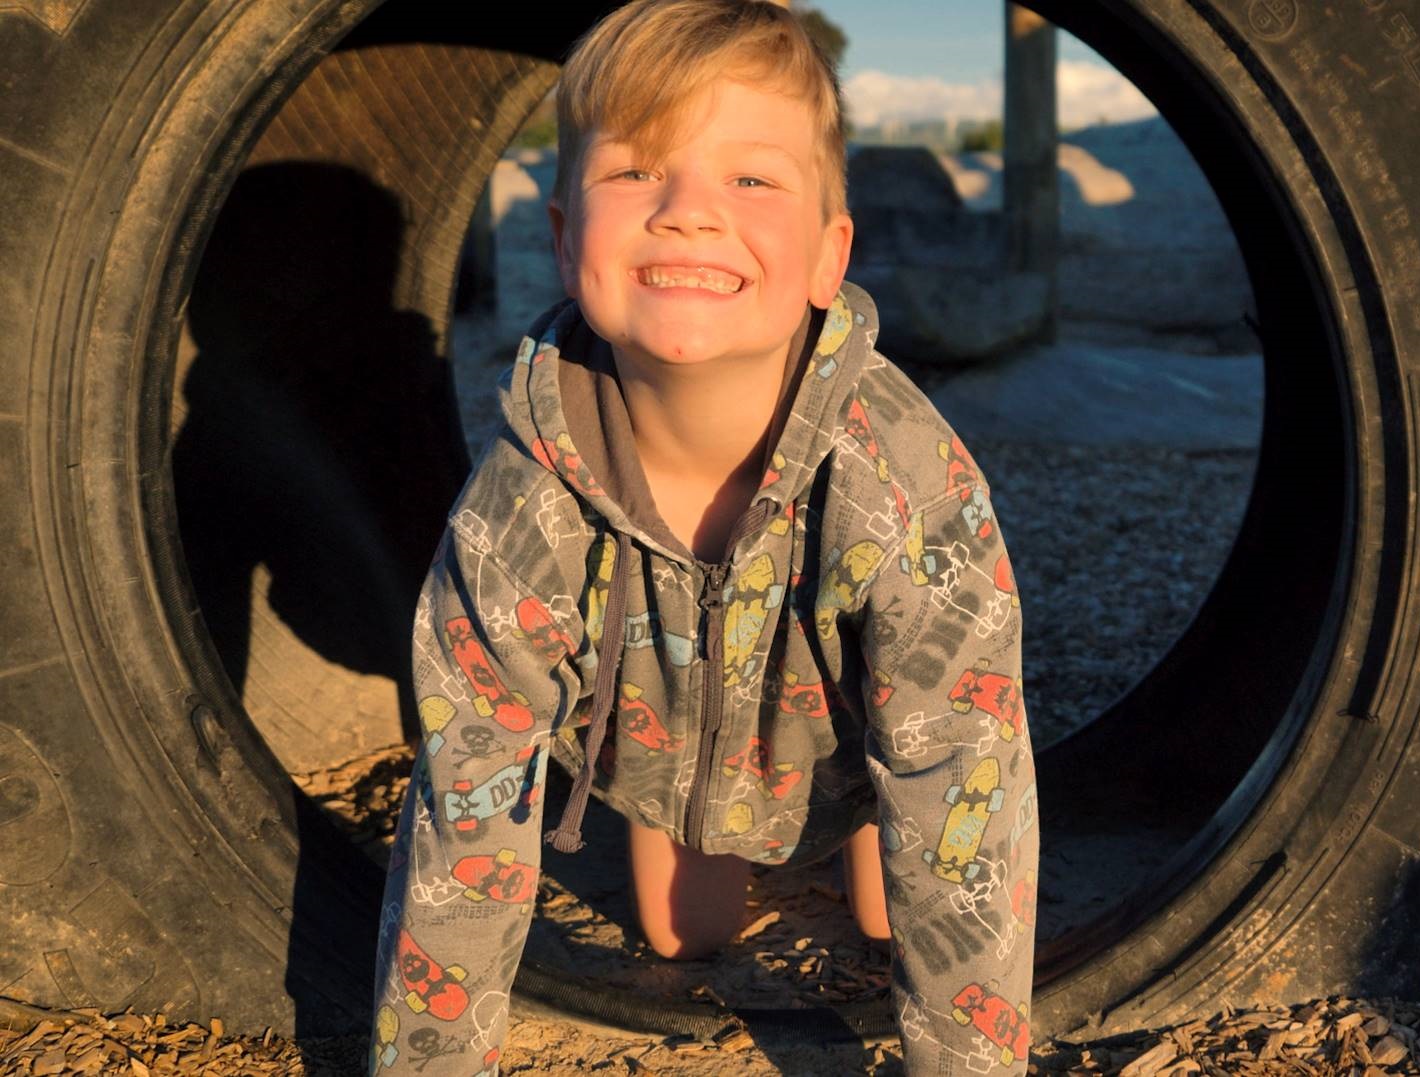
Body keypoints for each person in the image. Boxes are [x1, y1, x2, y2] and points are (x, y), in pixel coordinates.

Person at [364, 1, 1038, 1073]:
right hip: (658, 742)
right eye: (635, 172)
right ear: (562, 237)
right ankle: (694, 812)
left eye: (751, 179)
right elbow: (464, 818)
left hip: (860, 745)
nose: (685, 212)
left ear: (830, 256)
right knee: (689, 936)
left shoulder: (908, 491)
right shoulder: (520, 509)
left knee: (898, 898)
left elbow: (972, 798)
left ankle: (857, 818)